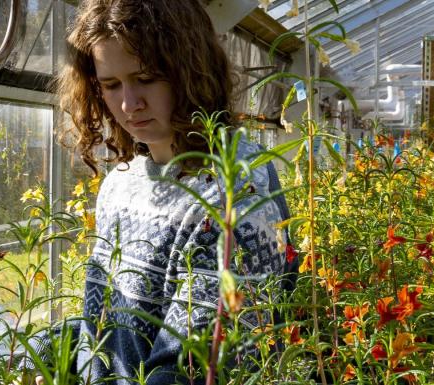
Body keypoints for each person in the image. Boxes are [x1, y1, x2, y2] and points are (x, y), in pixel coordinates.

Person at [31, 0, 293, 384]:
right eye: (111, 84)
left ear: (190, 70)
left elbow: (192, 365)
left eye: (148, 78)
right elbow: (113, 325)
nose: (128, 103)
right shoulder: (122, 181)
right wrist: (56, 345)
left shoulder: (237, 189)